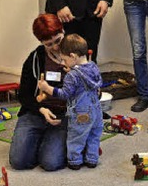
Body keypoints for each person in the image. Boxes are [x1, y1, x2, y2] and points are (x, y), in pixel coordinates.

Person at [10, 14, 69, 171]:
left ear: (63, 31)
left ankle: (53, 141)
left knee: (50, 163)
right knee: (18, 162)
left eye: (58, 40)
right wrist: (41, 109)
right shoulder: (35, 58)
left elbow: (94, 90)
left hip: (63, 114)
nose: (56, 47)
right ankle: (45, 139)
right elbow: (23, 95)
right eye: (49, 44)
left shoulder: (77, 52)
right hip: (37, 111)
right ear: (41, 42)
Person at [38, 34, 103, 170]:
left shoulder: (72, 76)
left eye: (65, 59)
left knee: (76, 136)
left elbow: (64, 94)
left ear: (73, 56)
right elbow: (94, 83)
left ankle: (75, 161)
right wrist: (73, 70)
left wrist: (47, 88)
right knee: (94, 134)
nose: (63, 63)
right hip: (96, 110)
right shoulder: (93, 66)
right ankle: (92, 159)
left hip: (80, 111)